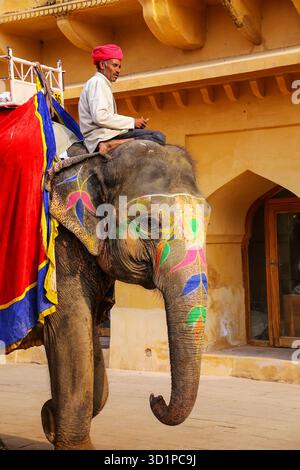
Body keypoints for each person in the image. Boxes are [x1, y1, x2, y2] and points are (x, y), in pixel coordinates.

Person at [78, 43, 166, 154]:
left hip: (106, 134)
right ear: (102, 65)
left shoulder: (100, 83)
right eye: (114, 65)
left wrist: (133, 123)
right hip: (102, 136)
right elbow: (100, 117)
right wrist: (132, 122)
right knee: (158, 136)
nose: (118, 70)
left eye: (119, 66)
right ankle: (111, 144)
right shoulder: (98, 82)